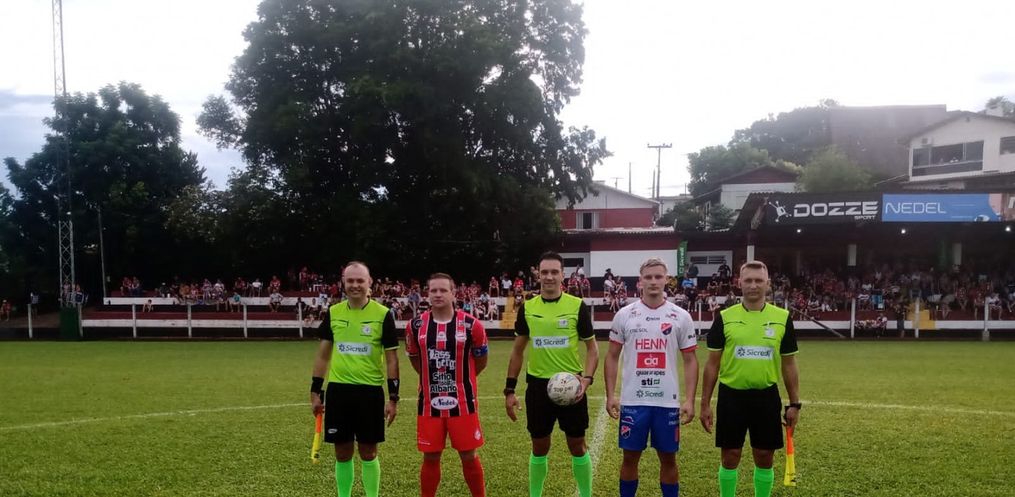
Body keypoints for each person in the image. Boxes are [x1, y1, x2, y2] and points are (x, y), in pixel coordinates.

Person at [700, 260, 800, 497]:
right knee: (730, 456)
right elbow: (712, 364)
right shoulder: (724, 317)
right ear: (739, 283)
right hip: (731, 396)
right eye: (748, 280)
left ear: (768, 284)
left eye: (758, 280)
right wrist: (704, 404)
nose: (753, 285)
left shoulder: (782, 317)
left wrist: (794, 404)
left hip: (766, 396)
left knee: (764, 456)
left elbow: (789, 363)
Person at [505, 251, 599, 497]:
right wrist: (509, 389)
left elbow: (592, 349)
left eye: (554, 272)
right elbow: (517, 351)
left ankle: (586, 495)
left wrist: (587, 379)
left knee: (577, 445)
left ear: (562, 275)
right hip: (538, 387)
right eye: (544, 272)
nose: (549, 277)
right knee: (539, 446)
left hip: (572, 386)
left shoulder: (576, 306)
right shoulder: (528, 308)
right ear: (538, 274)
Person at [604, 258, 699, 497]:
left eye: (658, 277)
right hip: (633, 401)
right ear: (640, 282)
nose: (653, 281)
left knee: (668, 459)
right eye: (648, 277)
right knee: (629, 458)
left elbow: (690, 360)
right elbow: (612, 356)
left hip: (667, 402)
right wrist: (611, 395)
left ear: (666, 280)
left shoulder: (681, 316)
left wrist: (689, 400)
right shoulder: (625, 315)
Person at [310, 261, 400, 497]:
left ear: (370, 283)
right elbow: (322, 356)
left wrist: (393, 397)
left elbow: (392, 360)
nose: (355, 285)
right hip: (339, 392)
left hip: (370, 392)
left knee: (369, 453)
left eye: (360, 280)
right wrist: (315, 390)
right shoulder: (334, 312)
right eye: (350, 280)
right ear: (343, 283)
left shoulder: (383, 314)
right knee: (342, 453)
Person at [406, 273, 489, 497]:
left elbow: (481, 360)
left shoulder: (472, 325)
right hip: (428, 403)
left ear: (453, 294)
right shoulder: (415, 326)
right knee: (430, 456)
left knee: (468, 455)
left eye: (443, 290)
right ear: (427, 294)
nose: (438, 294)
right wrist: (429, 378)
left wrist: (463, 380)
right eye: (433, 290)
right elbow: (414, 358)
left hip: (463, 402)